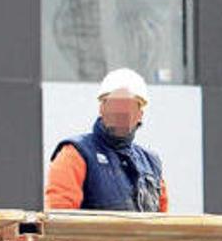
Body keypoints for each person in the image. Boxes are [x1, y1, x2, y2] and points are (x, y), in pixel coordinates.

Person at [44, 68, 168, 212]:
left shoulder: (151, 163)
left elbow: (163, 223)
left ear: (140, 114)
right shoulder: (76, 153)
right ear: (102, 108)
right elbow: (60, 218)